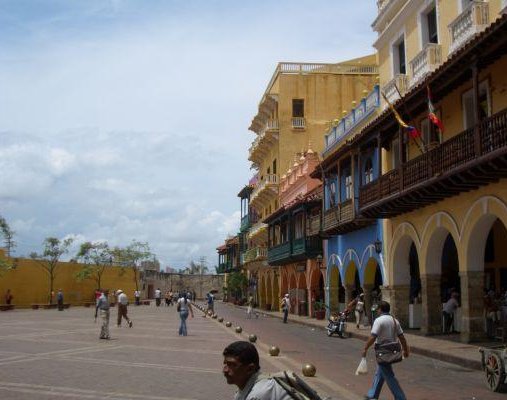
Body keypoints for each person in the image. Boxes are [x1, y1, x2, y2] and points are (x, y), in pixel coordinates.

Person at [362, 301, 409, 400]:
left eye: (378, 309)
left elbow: (373, 336)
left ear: (380, 309)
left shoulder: (379, 320)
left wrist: (365, 347)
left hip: (382, 351)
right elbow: (402, 337)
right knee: (380, 373)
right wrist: (405, 350)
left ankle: (401, 397)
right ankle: (372, 394)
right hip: (391, 351)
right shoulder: (394, 320)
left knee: (389, 376)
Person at [223, 341, 291, 400]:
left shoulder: (258, 394)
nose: (225, 370)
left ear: (250, 369)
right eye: (225, 363)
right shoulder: (247, 386)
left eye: (232, 365)